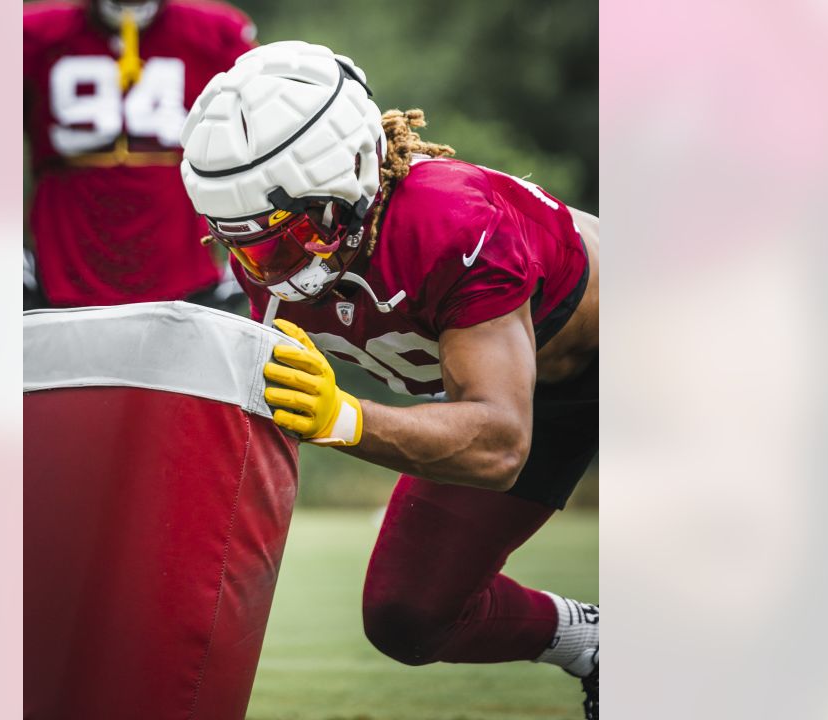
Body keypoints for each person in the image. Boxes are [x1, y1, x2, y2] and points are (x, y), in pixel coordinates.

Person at [180, 42, 600, 719]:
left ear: (352, 178)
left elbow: (498, 442)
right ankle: (598, 644)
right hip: (515, 386)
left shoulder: (452, 221)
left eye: (288, 237)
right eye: (248, 243)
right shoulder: (272, 263)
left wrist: (344, 418)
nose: (267, 269)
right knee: (410, 614)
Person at [24, 0, 255, 308]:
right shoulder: (34, 34)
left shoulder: (213, 32)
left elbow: (258, 129)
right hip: (65, 242)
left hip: (176, 243)